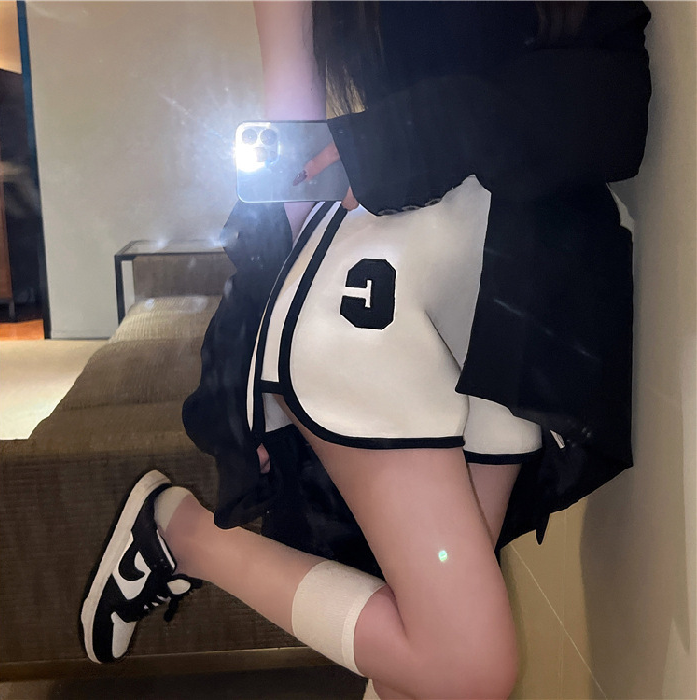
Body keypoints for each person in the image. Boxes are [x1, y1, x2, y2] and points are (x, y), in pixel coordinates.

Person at [81, 2, 651, 698]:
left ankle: (178, 535)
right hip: (382, 299)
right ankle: (185, 536)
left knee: (431, 655)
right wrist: (257, 366)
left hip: (513, 305)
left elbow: (616, 110)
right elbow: (294, 157)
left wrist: (430, 132)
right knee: (467, 667)